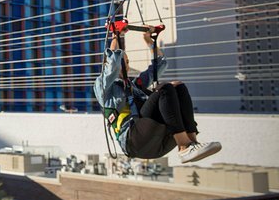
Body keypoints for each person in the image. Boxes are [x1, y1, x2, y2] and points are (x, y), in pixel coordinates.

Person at [94, 27, 222, 163]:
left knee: (178, 86)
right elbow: (113, 64)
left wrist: (150, 41)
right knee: (165, 89)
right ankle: (183, 146)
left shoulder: (135, 86)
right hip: (134, 140)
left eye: (127, 62)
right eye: (122, 61)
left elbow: (160, 64)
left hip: (156, 140)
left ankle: (191, 142)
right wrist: (116, 35)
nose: (125, 65)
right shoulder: (103, 88)